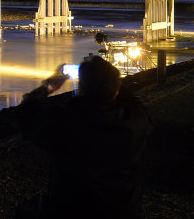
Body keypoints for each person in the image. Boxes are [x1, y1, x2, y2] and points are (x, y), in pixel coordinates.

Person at [16, 55, 153, 219]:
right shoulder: (136, 120)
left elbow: (25, 113)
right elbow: (128, 98)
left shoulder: (64, 124)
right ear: (116, 89)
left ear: (81, 88)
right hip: (123, 211)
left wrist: (50, 86)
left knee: (25, 210)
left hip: (72, 210)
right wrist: (106, 77)